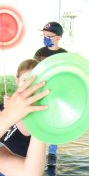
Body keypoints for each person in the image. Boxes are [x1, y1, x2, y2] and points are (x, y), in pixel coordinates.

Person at [33, 21, 67, 166]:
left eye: (49, 36)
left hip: (57, 93)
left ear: (58, 37)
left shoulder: (64, 55)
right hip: (41, 91)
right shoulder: (40, 53)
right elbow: (33, 71)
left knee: (55, 120)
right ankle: (35, 150)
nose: (46, 38)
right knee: (39, 119)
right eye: (44, 35)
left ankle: (52, 152)